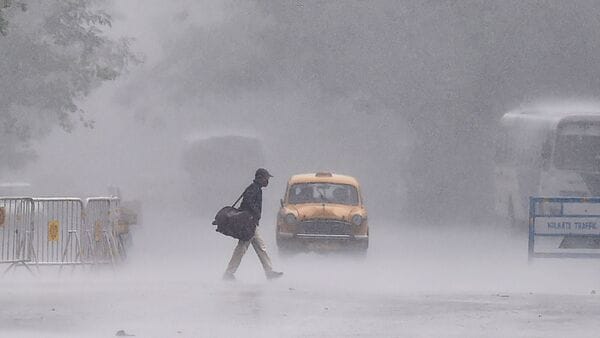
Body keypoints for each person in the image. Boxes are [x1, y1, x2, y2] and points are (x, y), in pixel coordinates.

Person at [223, 168, 284, 280]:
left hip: (251, 223)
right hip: (248, 223)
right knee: (242, 248)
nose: (267, 181)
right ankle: (228, 274)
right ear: (260, 178)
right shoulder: (254, 189)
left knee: (260, 247)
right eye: (266, 178)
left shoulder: (255, 188)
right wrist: (255, 213)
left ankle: (269, 272)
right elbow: (249, 203)